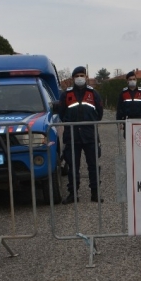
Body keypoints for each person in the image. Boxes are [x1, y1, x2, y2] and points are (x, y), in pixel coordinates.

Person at [57, 66, 104, 204]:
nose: (79, 78)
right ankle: (73, 194)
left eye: (82, 75)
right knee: (73, 166)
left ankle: (95, 193)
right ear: (73, 78)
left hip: (90, 135)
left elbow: (99, 113)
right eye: (77, 75)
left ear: (86, 77)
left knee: (93, 165)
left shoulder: (93, 93)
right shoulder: (66, 94)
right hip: (72, 137)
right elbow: (61, 113)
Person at [116, 71, 141, 136]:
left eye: (134, 79)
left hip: (140, 120)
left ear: (136, 80)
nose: (132, 81)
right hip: (128, 120)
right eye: (130, 79)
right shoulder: (123, 93)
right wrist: (119, 121)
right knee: (129, 141)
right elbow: (119, 108)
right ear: (127, 81)